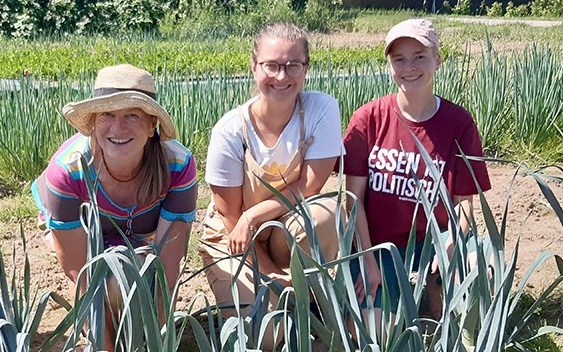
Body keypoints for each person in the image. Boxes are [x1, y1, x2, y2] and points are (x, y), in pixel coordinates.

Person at [31, 64, 198, 351]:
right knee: (109, 281)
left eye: (132, 115)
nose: (118, 128)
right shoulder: (68, 170)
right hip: (81, 229)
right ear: (94, 122)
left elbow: (168, 266)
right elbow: (78, 272)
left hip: (143, 235)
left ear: (151, 126)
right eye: (107, 114)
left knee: (141, 277)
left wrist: (151, 342)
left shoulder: (178, 165)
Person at [342, 18, 492, 326]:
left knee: (481, 272)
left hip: (436, 240)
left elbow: (465, 204)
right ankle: (398, 290)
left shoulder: (458, 123)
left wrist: (452, 241)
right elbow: (352, 200)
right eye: (399, 59)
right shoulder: (368, 118)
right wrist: (369, 261)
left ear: (437, 60)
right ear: (390, 66)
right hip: (380, 246)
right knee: (376, 334)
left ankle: (435, 291)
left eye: (419, 56)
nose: (409, 67)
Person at [199, 22, 344, 326]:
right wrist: (271, 275)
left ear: (306, 68)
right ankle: (285, 299)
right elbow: (230, 215)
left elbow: (309, 185)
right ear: (254, 67)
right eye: (271, 66)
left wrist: (254, 217)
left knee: (325, 215)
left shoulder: (321, 109)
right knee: (261, 334)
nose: (282, 76)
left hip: (284, 225)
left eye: (293, 66)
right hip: (232, 236)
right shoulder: (231, 130)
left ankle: (306, 301)